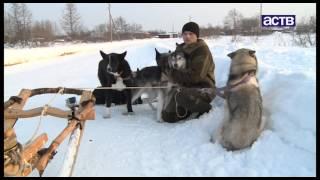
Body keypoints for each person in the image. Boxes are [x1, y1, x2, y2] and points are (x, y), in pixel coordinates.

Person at [162, 22, 216, 123]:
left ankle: (205, 108)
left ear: (196, 35)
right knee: (167, 117)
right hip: (185, 87)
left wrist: (173, 75)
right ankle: (189, 108)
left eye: (191, 34)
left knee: (180, 95)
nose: (187, 36)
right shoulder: (180, 49)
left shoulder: (202, 51)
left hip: (204, 88)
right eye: (185, 34)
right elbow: (170, 66)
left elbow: (196, 77)